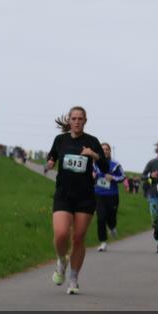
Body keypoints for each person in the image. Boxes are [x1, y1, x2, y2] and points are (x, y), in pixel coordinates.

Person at [46, 106, 108, 295]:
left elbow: (105, 167)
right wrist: (50, 162)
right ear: (69, 120)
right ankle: (61, 260)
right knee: (61, 234)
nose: (77, 121)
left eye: (80, 119)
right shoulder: (60, 140)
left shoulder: (92, 141)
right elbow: (52, 155)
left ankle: (73, 279)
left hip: (85, 197)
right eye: (74, 118)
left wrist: (93, 155)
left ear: (85, 121)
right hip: (63, 195)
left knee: (79, 238)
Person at [93, 142, 124, 251]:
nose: (105, 151)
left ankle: (112, 227)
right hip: (98, 194)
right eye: (102, 149)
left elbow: (122, 177)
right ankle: (103, 242)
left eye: (107, 149)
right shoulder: (94, 164)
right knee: (101, 218)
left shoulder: (115, 164)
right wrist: (92, 175)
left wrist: (113, 178)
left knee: (111, 216)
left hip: (112, 195)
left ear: (110, 151)